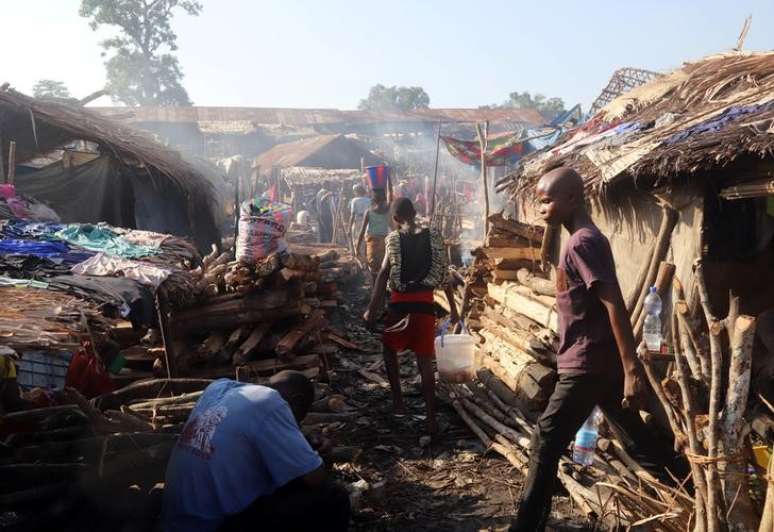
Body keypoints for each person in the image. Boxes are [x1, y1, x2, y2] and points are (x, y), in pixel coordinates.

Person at [509, 167, 679, 531]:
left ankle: (526, 525)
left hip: (586, 365)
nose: (541, 209)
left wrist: (631, 368)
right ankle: (694, 492)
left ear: (572, 198)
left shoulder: (582, 242)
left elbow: (613, 301)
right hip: (596, 362)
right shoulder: (582, 239)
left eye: (546, 201)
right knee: (638, 444)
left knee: (545, 439)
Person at [163, 370, 350, 532]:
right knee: (334, 497)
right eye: (298, 420)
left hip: (177, 521)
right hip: (215, 526)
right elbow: (314, 477)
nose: (296, 426)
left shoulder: (219, 388)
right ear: (296, 403)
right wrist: (316, 457)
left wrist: (303, 442)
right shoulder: (271, 402)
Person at [364, 198, 459, 436]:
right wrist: (455, 312)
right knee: (425, 361)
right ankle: (430, 418)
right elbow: (444, 274)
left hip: (400, 307)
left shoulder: (394, 239)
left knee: (389, 350)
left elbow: (383, 274)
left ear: (395, 219)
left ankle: (398, 402)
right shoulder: (433, 238)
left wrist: (372, 310)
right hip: (426, 307)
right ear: (415, 213)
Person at [355, 188, 391, 282]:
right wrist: (388, 178)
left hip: (372, 245)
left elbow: (362, 231)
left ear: (373, 199)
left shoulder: (368, 212)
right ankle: (383, 292)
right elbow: (390, 195)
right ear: (384, 199)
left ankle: (375, 292)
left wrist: (357, 247)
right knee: (384, 270)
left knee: (374, 272)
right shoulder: (387, 210)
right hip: (384, 244)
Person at [348, 184, 370, 250]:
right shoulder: (368, 200)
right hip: (367, 221)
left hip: (358, 221)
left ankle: (358, 254)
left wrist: (349, 227)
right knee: (365, 238)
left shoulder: (354, 200)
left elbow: (352, 215)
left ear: (356, 191)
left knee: (356, 238)